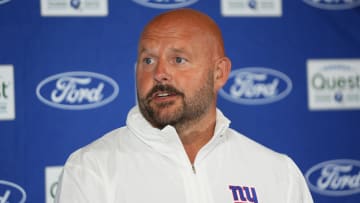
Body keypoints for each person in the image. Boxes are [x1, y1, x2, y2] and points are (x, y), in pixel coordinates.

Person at [55, 8, 314, 203]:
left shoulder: (278, 173)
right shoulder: (91, 170)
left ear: (219, 73)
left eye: (178, 59)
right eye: (148, 60)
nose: (159, 73)